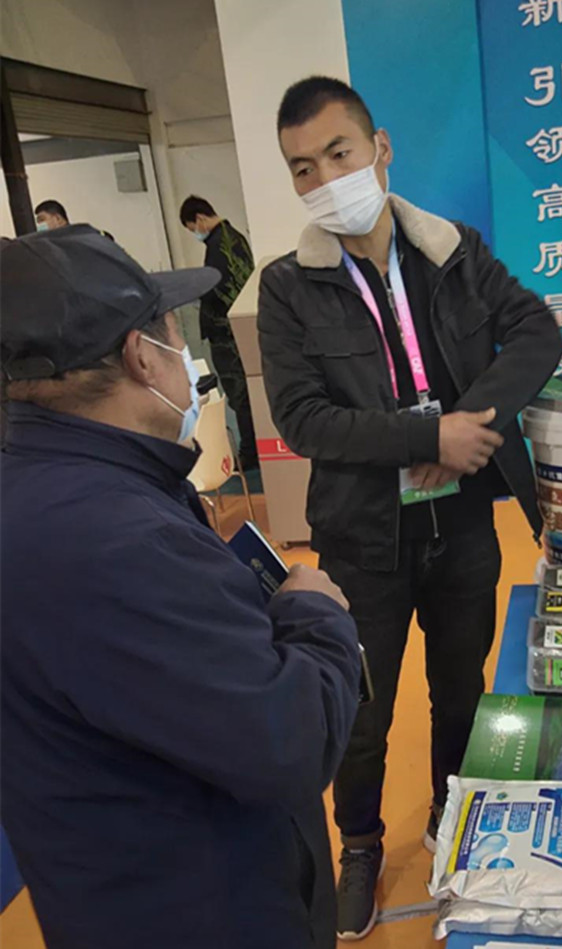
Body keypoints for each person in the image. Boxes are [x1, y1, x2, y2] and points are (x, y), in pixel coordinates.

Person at [258, 76, 562, 939]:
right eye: (302, 168)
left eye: (338, 154)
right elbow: (303, 416)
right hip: (363, 536)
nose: (325, 180)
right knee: (361, 709)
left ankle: (449, 816)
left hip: (463, 522)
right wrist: (430, 435)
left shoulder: (452, 252)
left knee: (461, 688)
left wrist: (478, 422)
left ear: (379, 148)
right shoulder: (289, 287)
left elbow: (538, 330)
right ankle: (359, 844)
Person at [0, 224, 361, 949]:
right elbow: (287, 742)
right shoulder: (115, 537)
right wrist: (315, 611)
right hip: (204, 908)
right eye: (172, 329)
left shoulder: (52, 488)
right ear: (143, 354)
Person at [179, 195, 258, 469]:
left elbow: (216, 290)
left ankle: (250, 452)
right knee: (249, 394)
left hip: (227, 336)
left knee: (240, 395)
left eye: (192, 229)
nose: (195, 234)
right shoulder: (235, 238)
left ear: (200, 219)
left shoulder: (219, 245)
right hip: (239, 333)